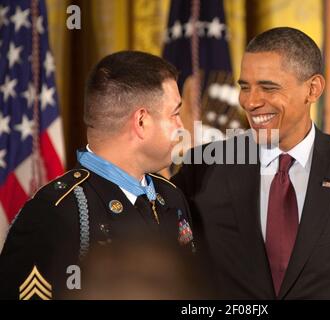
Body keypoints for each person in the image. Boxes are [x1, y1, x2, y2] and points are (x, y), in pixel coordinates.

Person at [172, 27, 330, 299]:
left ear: (313, 89)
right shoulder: (203, 166)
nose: (250, 101)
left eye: (268, 87)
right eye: (245, 87)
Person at [0, 51, 196, 299]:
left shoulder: (171, 196)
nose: (182, 128)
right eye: (175, 114)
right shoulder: (53, 213)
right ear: (142, 121)